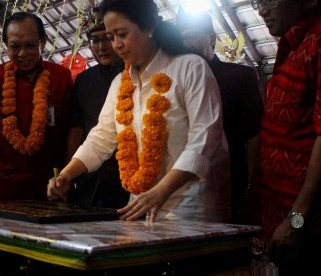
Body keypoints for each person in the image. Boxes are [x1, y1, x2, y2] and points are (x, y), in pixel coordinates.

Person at [48, 0, 231, 224]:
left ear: (149, 28)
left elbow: (205, 139)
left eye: (122, 34)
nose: (116, 45)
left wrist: (162, 190)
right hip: (139, 204)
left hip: (189, 205)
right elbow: (102, 137)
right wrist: (67, 174)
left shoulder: (190, 68)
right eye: (111, 37)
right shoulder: (120, 83)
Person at [245, 0, 321, 274]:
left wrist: (296, 220)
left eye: (270, 0)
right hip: (279, 220)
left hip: (306, 226)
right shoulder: (291, 43)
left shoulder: (317, 42)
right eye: (257, 2)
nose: (262, 10)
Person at [0, 12, 73, 200]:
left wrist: (68, 179)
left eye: (30, 45)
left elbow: (72, 133)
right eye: (15, 46)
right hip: (4, 189)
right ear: (5, 45)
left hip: (52, 188)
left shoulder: (61, 77)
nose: (23, 53)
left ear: (43, 41)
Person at [175, 11, 264, 224]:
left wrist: (252, 184)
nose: (187, 43)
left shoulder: (239, 76)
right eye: (182, 38)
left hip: (229, 181)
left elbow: (255, 135)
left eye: (193, 36)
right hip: (181, 186)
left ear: (212, 38)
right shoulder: (174, 82)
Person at [66, 6, 129, 208]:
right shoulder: (84, 80)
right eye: (95, 40)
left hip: (131, 174)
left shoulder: (137, 74)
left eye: (107, 39)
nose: (101, 47)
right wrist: (70, 173)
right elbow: (77, 128)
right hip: (92, 175)